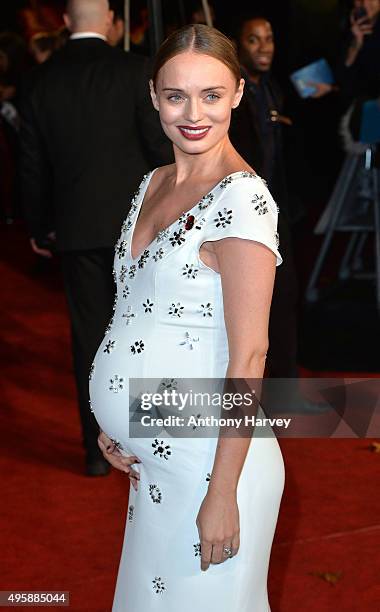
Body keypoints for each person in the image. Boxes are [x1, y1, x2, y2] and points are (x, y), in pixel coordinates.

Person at [90, 23, 285, 611]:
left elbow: (249, 355)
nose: (193, 113)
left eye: (211, 95)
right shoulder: (152, 183)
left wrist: (222, 493)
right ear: (154, 97)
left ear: (238, 95)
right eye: (176, 95)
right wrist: (119, 417)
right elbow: (134, 306)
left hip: (212, 466)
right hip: (154, 461)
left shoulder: (243, 201)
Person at [19, 0, 172, 477]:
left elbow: (31, 164)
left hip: (77, 229)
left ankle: (96, 451)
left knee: (90, 338)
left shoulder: (40, 80)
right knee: (146, 333)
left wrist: (38, 224)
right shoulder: (134, 71)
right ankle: (153, 440)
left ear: (65, 21)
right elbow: (159, 148)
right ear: (110, 20)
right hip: (138, 228)